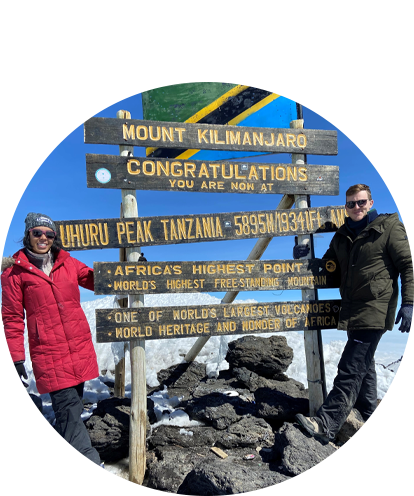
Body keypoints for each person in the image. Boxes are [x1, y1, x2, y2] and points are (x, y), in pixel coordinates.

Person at [293, 184, 414, 442]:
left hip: (375, 309)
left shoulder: (389, 228)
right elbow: (330, 268)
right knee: (364, 365)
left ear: (370, 203)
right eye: (351, 203)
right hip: (352, 310)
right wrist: (304, 257)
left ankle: (326, 425)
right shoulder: (342, 236)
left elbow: (408, 265)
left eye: (361, 202)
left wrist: (409, 302)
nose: (356, 207)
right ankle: (369, 414)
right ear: (345, 207)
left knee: (350, 367)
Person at [1, 213, 102, 466]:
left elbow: (94, 279)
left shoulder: (67, 263)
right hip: (49, 354)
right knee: (68, 411)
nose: (43, 238)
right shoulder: (14, 272)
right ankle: (93, 466)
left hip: (78, 348)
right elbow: (12, 318)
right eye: (37, 233)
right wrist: (16, 359)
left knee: (73, 409)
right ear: (28, 235)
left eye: (49, 234)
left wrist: (125, 275)